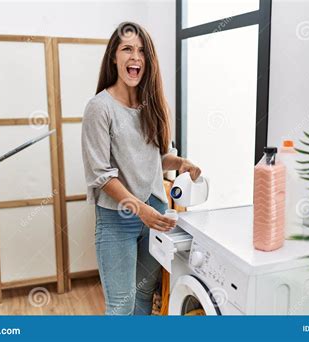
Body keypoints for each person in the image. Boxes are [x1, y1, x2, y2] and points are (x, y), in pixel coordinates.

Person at [81, 22, 201, 315]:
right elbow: (101, 175)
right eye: (127, 49)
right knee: (120, 307)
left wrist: (181, 162)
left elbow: (156, 157)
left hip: (155, 213)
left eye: (142, 51)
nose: (135, 57)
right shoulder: (100, 108)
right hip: (117, 219)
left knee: (145, 295)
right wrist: (140, 210)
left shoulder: (153, 105)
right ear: (114, 57)